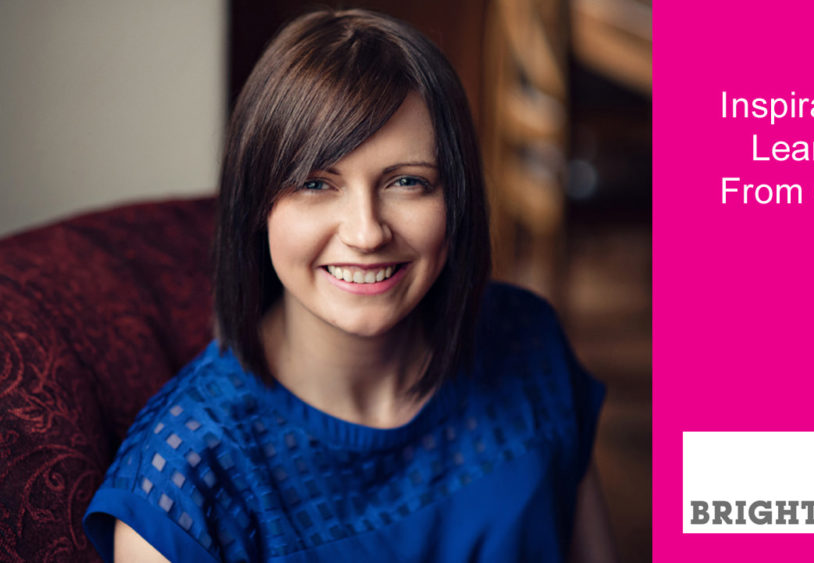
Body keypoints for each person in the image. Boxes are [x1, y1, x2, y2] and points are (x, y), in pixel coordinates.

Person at [83, 8, 614, 562]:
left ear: (455, 199)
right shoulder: (183, 485)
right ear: (257, 206)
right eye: (316, 183)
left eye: (408, 182)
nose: (366, 232)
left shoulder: (529, 341)